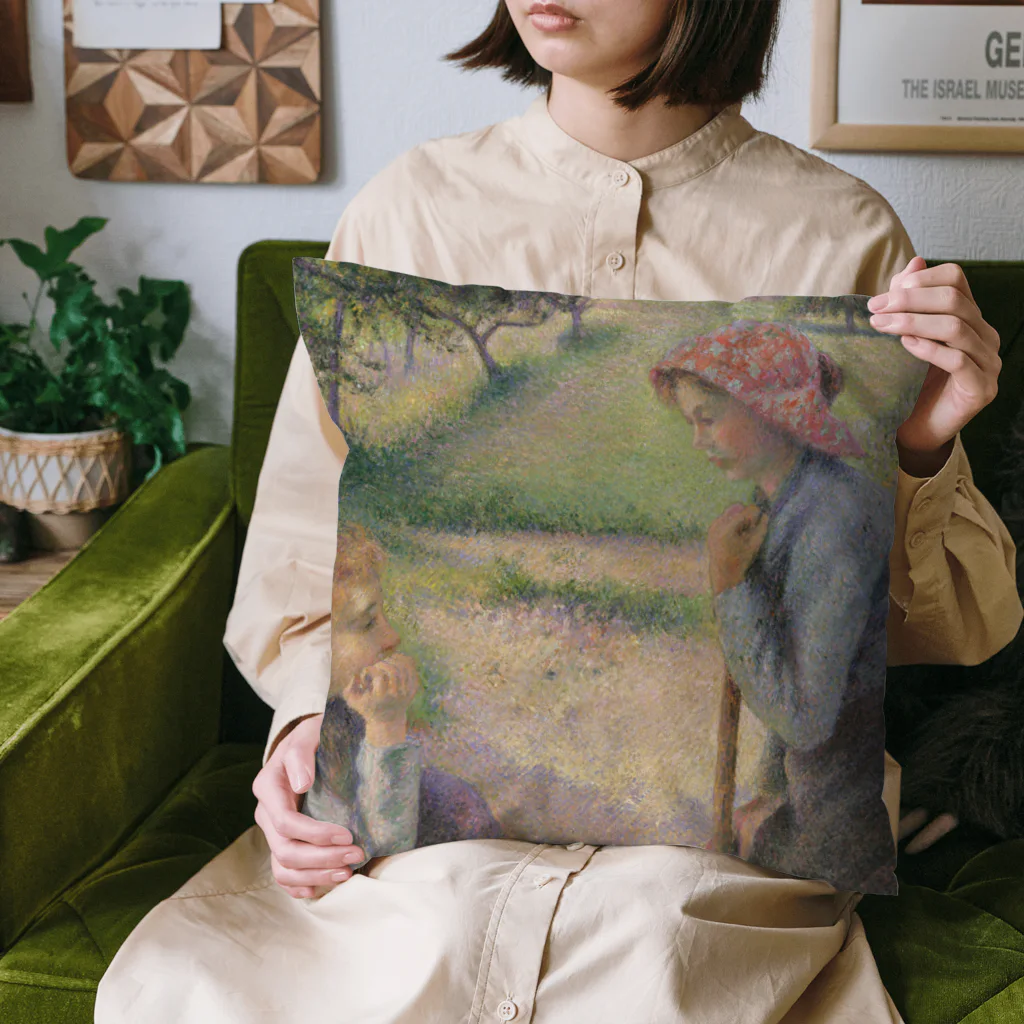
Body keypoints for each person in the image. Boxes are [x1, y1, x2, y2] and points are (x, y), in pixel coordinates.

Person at [95, 2, 1022, 1021]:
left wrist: (924, 444)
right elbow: (301, 548)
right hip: (428, 825)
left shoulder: (841, 236)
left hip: (716, 848)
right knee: (363, 947)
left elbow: (944, 630)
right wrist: (301, 739)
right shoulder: (411, 208)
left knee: (654, 938)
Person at [650, 319, 900, 893]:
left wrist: (730, 585)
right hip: (810, 795)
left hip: (841, 824)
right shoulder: (787, 503)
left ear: (771, 412)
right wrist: (765, 794)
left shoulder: (832, 522)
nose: (697, 440)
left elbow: (805, 716)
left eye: (707, 418)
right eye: (691, 422)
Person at [304, 522, 499, 859]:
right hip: (395, 882)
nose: (392, 637)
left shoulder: (346, 711)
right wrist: (386, 726)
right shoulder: (310, 739)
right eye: (367, 623)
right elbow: (380, 852)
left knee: (457, 799)